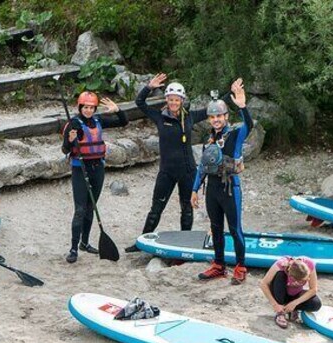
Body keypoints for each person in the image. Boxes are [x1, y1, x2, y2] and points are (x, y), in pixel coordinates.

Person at [125, 74, 233, 253]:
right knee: (156, 209)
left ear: (182, 100)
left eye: (177, 100)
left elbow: (215, 107)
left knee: (187, 210)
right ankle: (141, 242)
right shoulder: (159, 117)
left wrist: (231, 93)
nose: (174, 103)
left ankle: (185, 243)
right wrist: (149, 87)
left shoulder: (190, 117)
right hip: (166, 172)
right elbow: (140, 103)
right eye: (171, 99)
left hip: (188, 171)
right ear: (166, 100)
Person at [191, 78, 251, 284]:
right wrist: (194, 189)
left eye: (220, 116)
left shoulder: (234, 135)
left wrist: (242, 106)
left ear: (226, 116)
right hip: (213, 189)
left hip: (230, 188)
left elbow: (248, 126)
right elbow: (202, 167)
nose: (216, 119)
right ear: (209, 119)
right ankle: (218, 265)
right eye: (213, 116)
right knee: (216, 227)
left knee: (235, 229)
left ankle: (241, 266)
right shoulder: (209, 140)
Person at [61, 91, 128, 263]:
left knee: (91, 207)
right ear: (80, 107)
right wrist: (70, 140)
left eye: (92, 107)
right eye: (86, 107)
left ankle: (85, 242)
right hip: (80, 168)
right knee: (80, 210)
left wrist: (117, 110)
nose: (89, 110)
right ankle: (73, 249)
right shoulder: (74, 123)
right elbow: (65, 149)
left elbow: (123, 122)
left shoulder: (98, 121)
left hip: (97, 168)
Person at [260, 256, 321, 328]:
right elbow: (263, 283)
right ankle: (280, 312)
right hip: (280, 292)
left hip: (295, 294)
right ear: (291, 277)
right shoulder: (281, 264)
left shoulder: (309, 263)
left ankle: (292, 309)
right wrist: (275, 304)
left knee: (316, 304)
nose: (308, 279)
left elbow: (313, 289)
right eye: (301, 280)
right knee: (280, 274)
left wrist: (295, 303)